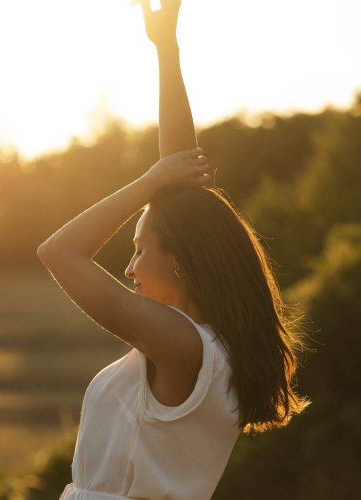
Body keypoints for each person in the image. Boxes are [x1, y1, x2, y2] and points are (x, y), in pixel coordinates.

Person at [37, 1, 310, 498]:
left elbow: (60, 252)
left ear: (181, 262)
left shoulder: (185, 347)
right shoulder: (210, 347)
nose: (129, 267)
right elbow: (182, 177)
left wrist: (147, 182)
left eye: (140, 250)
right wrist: (166, 50)